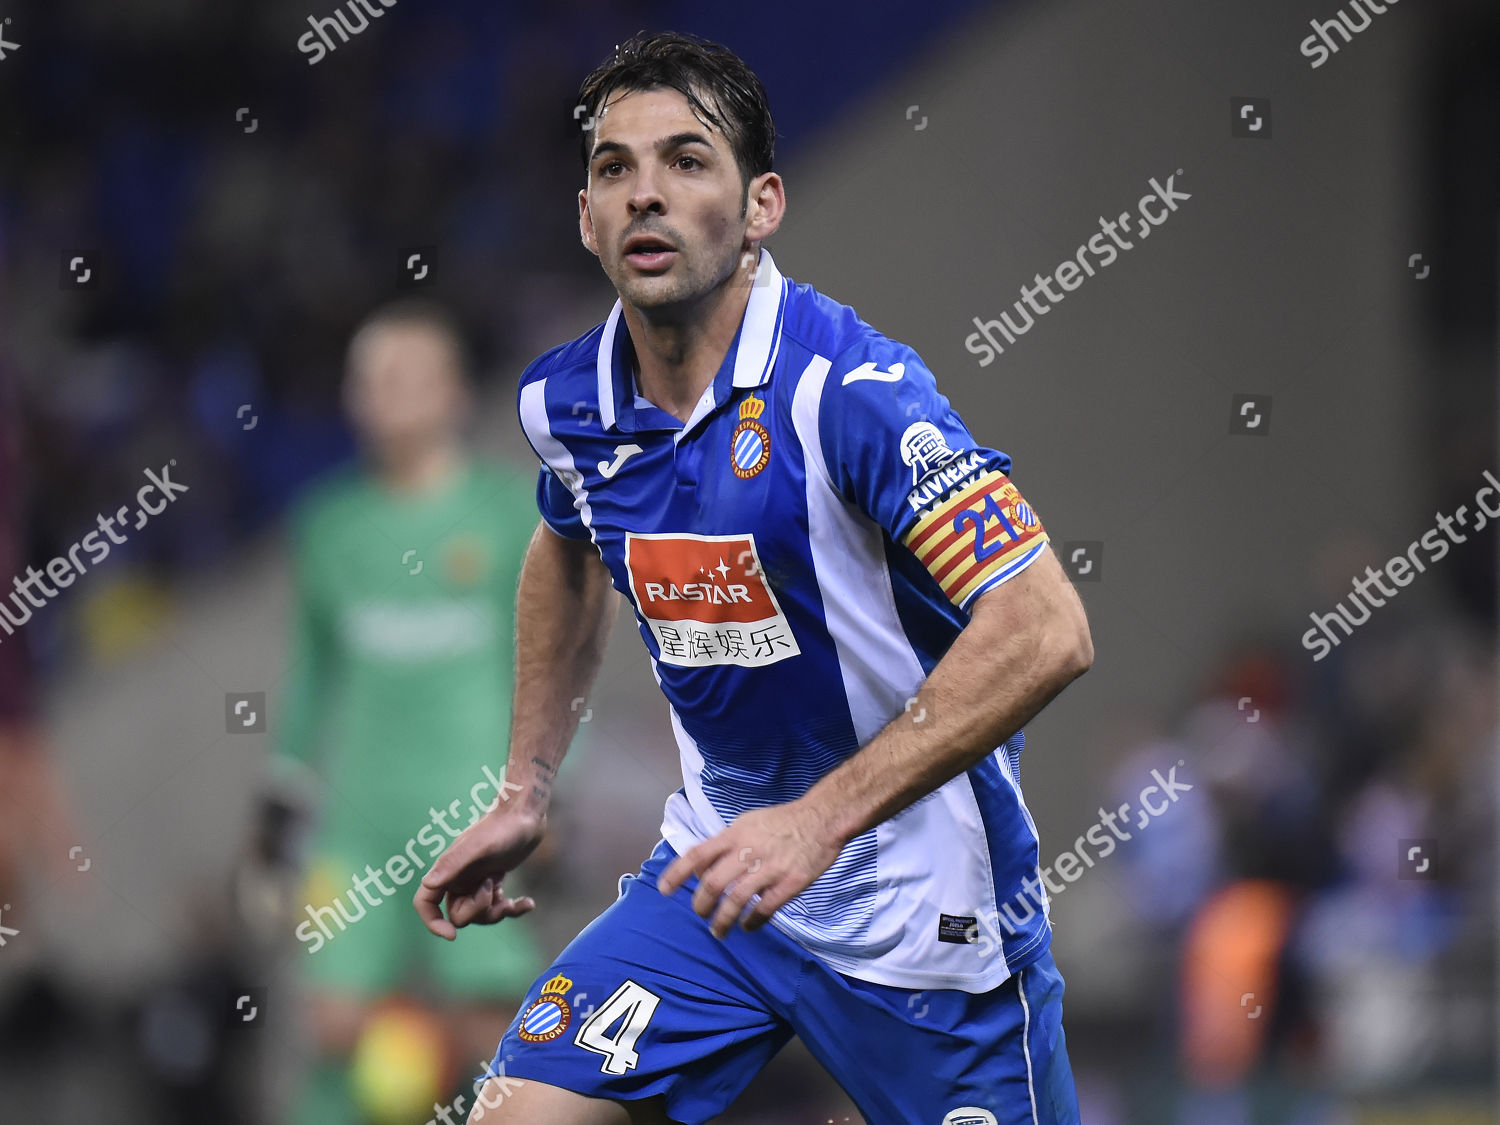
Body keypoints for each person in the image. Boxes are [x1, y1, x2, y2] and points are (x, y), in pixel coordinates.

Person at [414, 32, 1092, 1125]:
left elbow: (1047, 626)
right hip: (721, 893)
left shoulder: (852, 391)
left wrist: (816, 824)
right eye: (614, 169)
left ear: (762, 204)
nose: (646, 196)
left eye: (687, 161)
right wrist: (526, 786)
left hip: (929, 923)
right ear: (584, 217)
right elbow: (567, 546)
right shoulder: (565, 408)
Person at [268, 298, 546, 1125]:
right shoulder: (326, 528)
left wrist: (548, 789)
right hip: (358, 815)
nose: (386, 392)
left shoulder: (512, 515)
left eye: (407, 373)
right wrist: (279, 797)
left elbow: (555, 668)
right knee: (334, 1022)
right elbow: (311, 676)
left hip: (473, 807)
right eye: (370, 377)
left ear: (456, 391)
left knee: (489, 1028)